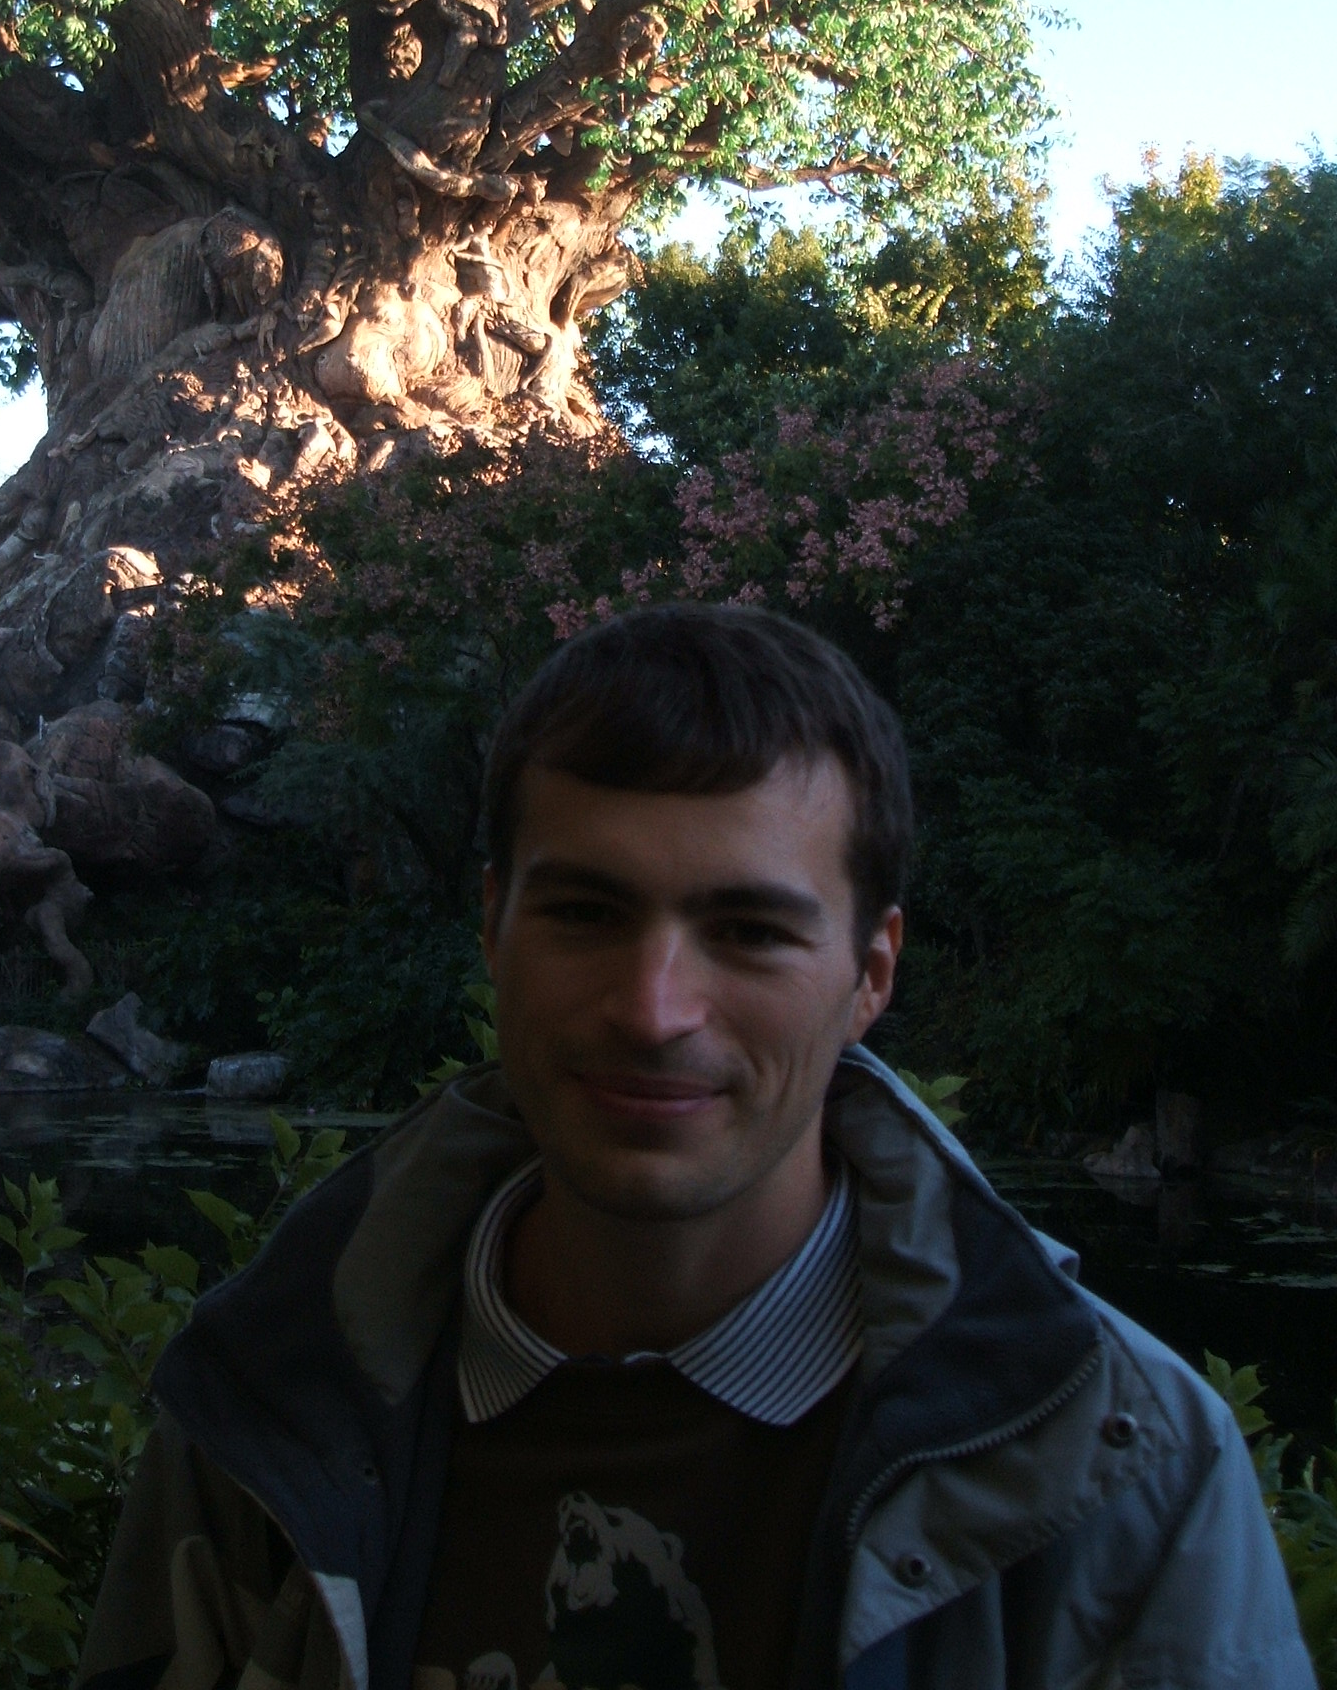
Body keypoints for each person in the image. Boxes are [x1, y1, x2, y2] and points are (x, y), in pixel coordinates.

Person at [79, 603, 1310, 1690]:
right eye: (586, 913)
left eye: (750, 931)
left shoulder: (1116, 1466)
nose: (654, 1008)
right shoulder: (263, 1406)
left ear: (871, 971)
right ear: (493, 926)